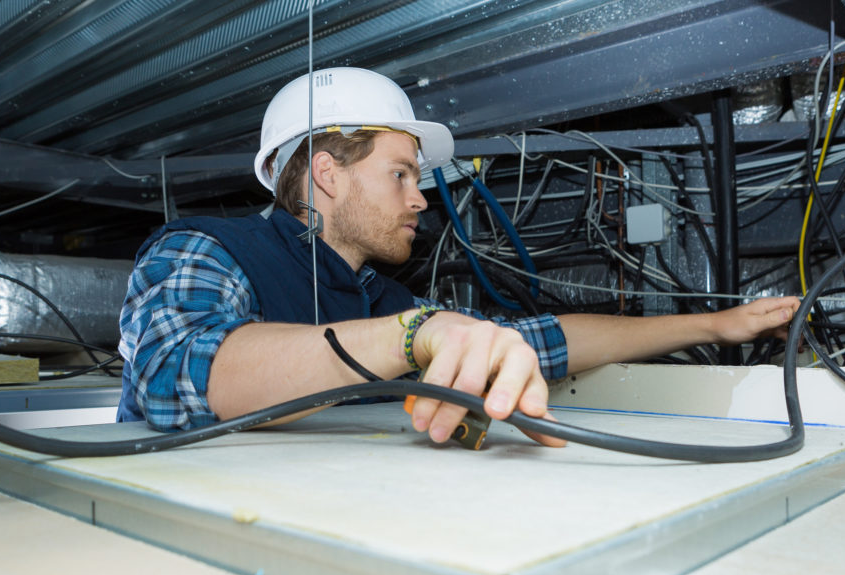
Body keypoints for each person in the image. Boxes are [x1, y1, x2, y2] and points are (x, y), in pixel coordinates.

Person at [117, 67, 799, 447]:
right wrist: (414, 334)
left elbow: (540, 339)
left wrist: (717, 324)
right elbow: (173, 374)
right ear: (329, 173)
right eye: (400, 175)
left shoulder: (375, 296)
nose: (420, 200)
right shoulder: (206, 250)